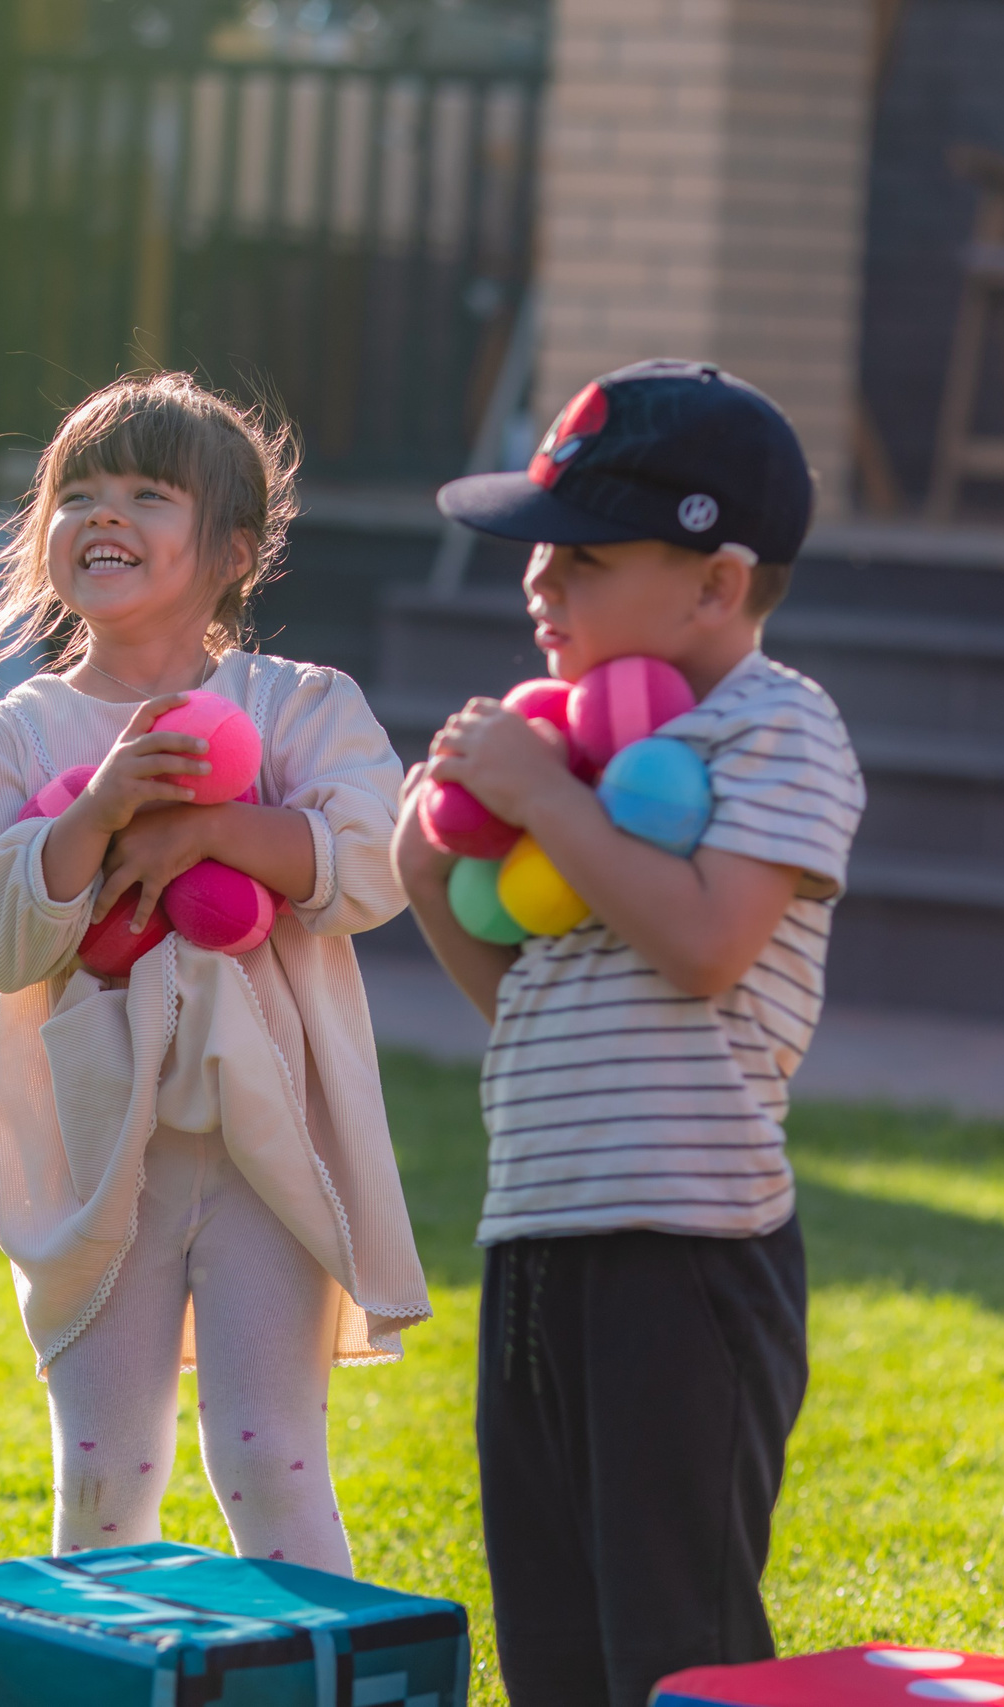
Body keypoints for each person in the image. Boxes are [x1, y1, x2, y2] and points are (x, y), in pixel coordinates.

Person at [396, 361, 866, 1706]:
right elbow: (536, 1015)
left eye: (582, 556)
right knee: (552, 1626)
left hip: (690, 1254)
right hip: (541, 1235)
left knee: (679, 1633)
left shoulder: (779, 729)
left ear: (716, 584)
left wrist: (546, 799)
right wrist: (434, 875)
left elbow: (707, 940)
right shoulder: (579, 753)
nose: (537, 585)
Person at [0, 373, 429, 1572]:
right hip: (97, 1161)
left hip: (269, 1151)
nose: (107, 514)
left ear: (232, 550)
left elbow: (371, 866)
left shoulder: (297, 709)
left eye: (149, 493)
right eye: (78, 493)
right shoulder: (4, 743)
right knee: (105, 1467)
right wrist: (93, 815)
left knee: (270, 1453)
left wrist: (204, 831)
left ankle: (316, 1672)